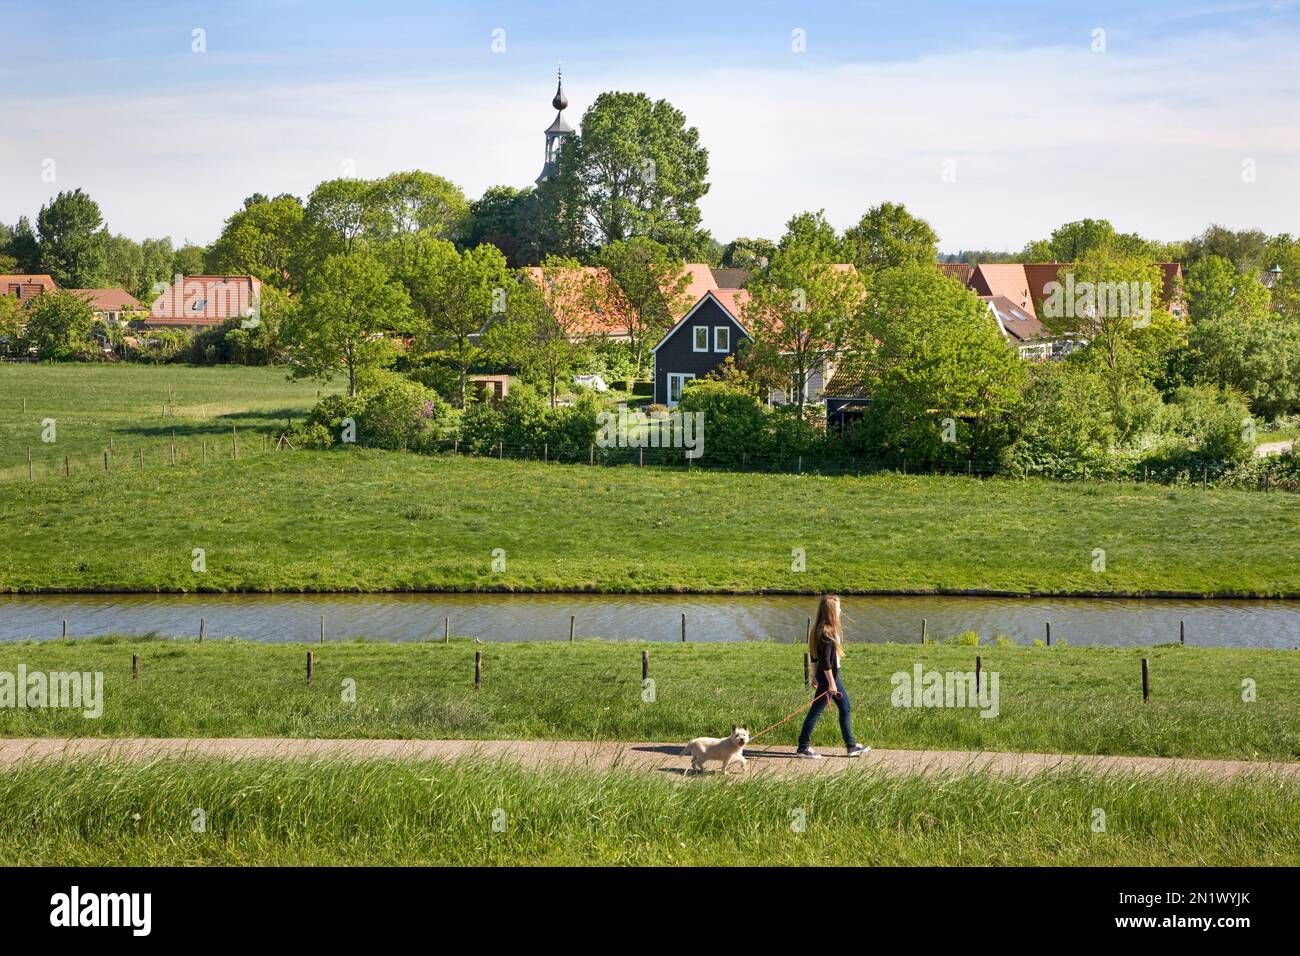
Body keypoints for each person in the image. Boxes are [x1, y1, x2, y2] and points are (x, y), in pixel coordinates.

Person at [796, 595, 870, 759]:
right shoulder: (827, 633)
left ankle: (851, 746)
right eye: (838, 608)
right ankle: (803, 747)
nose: (841, 610)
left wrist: (815, 675)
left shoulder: (819, 628)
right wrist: (830, 683)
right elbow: (825, 662)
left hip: (830, 677)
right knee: (815, 712)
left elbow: (815, 657)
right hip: (830, 677)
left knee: (845, 707)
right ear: (831, 612)